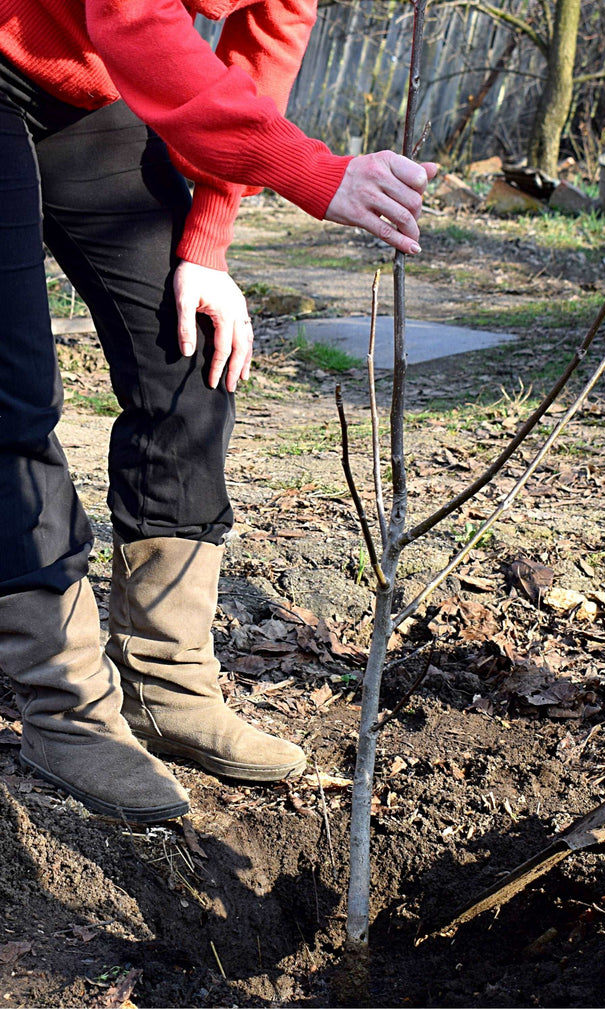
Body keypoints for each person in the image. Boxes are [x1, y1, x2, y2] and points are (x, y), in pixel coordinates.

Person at [0, 0, 437, 823]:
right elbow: (136, 23)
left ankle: (168, 685)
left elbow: (253, 72)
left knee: (192, 351)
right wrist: (315, 172)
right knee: (11, 395)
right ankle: (65, 708)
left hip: (87, 89)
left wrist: (207, 243)